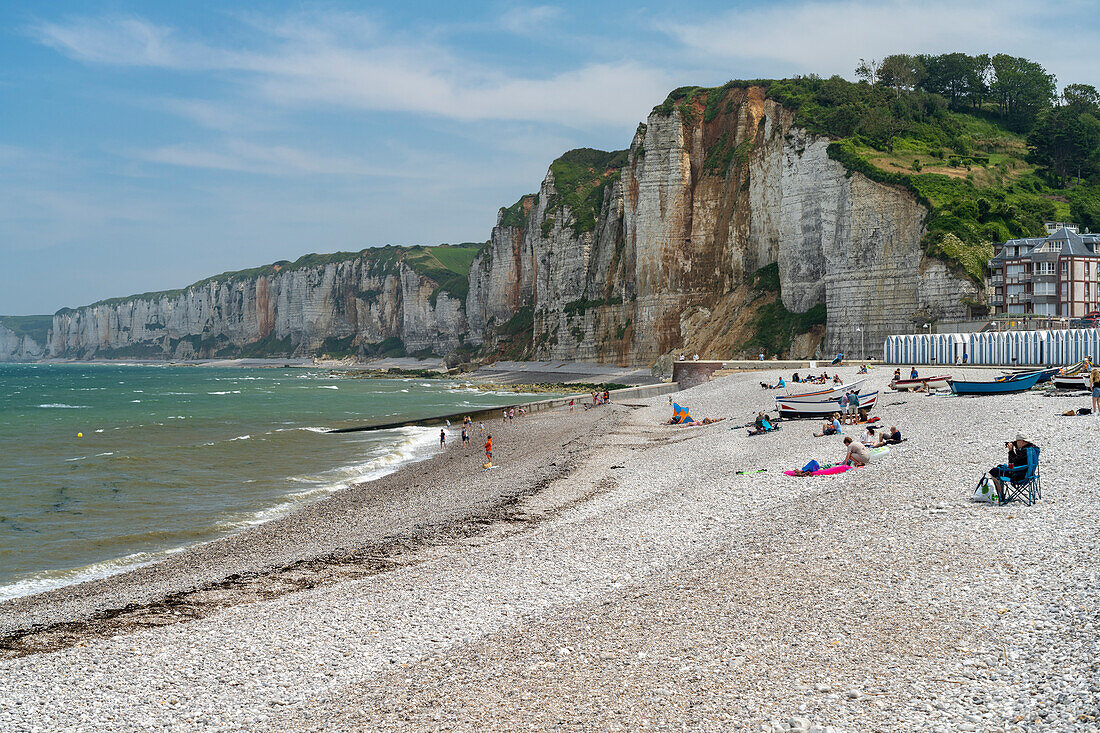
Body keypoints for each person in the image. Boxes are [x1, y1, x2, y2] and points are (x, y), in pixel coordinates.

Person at [988, 434, 1037, 500]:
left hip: (1019, 476)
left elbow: (1013, 464)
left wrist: (1011, 450)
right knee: (999, 467)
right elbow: (1020, 461)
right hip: (1029, 474)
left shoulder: (1025, 451)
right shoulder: (1032, 449)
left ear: (1021, 441)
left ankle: (1001, 496)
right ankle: (1000, 494)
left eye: (1016, 441)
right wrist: (1017, 450)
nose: (1015, 443)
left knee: (994, 471)